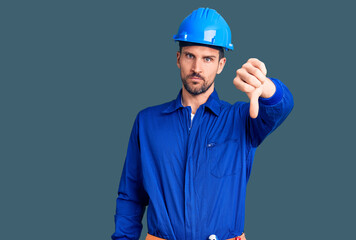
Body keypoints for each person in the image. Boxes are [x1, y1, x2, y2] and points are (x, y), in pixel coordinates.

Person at [111, 7, 294, 240]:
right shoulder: (147, 123)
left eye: (208, 58)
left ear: (221, 64)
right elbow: (131, 197)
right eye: (190, 56)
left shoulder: (242, 120)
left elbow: (283, 106)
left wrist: (266, 87)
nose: (197, 68)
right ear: (178, 59)